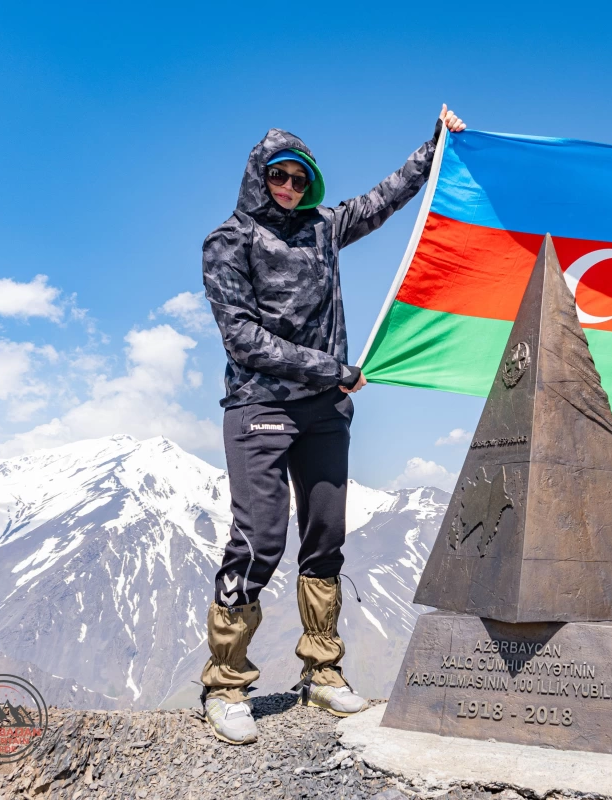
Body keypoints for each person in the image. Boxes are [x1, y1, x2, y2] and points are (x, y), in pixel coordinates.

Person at [198, 105, 467, 745]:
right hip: (260, 407)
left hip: (324, 411)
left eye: (298, 177)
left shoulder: (324, 226)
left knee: (325, 539)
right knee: (260, 540)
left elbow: (385, 199)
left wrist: (435, 144)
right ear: (256, 178)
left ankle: (322, 672)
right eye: (277, 177)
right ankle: (225, 682)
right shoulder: (227, 242)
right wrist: (329, 368)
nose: (288, 187)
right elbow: (241, 338)